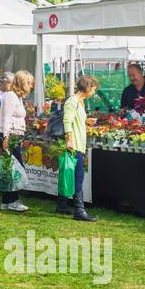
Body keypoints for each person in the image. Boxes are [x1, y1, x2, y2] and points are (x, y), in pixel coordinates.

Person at [61, 75, 98, 221]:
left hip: (78, 144)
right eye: (93, 89)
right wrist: (69, 139)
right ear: (87, 87)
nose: (93, 92)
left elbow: (75, 119)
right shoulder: (73, 101)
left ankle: (62, 205)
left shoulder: (79, 102)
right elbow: (67, 121)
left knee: (71, 175)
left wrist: (85, 120)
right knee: (78, 176)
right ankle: (79, 210)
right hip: (75, 145)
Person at [0, 71, 33, 212]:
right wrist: (5, 137)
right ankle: (12, 201)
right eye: (29, 83)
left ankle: (7, 201)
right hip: (9, 136)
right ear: (23, 83)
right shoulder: (11, 96)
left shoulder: (17, 97)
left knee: (9, 169)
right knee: (14, 170)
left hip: (14, 136)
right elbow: (5, 118)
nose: (31, 86)